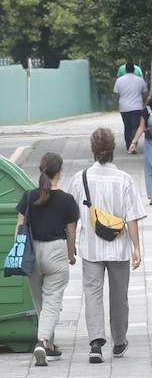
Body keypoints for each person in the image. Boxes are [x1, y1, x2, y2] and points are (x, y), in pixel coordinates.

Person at [68, 128, 145, 364]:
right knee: (119, 295)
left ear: (93, 149)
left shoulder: (80, 178)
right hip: (119, 247)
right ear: (113, 149)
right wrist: (136, 247)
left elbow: (71, 217)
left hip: (90, 247)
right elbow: (131, 216)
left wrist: (70, 246)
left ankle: (95, 343)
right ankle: (119, 340)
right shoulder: (124, 179)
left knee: (92, 293)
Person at [15, 153, 78, 366]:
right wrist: (71, 255)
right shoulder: (67, 200)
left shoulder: (28, 196)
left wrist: (20, 251)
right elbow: (71, 234)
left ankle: (48, 346)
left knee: (40, 302)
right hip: (56, 252)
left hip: (32, 252)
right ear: (59, 172)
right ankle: (42, 342)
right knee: (52, 301)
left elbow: (19, 227)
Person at [113, 63, 147, 153]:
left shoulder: (119, 80)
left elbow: (116, 93)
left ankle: (129, 146)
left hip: (124, 107)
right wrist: (143, 101)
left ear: (125, 70)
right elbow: (145, 92)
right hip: (137, 106)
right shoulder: (140, 80)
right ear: (134, 70)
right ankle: (134, 145)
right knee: (134, 126)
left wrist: (120, 99)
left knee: (127, 127)